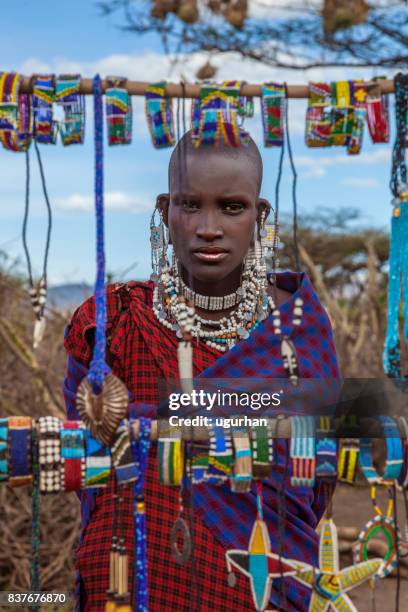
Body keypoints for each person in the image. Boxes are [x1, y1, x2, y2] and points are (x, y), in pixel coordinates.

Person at [64, 132, 340, 611]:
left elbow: (318, 477)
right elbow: (86, 460)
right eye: (191, 205)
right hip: (133, 581)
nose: (208, 227)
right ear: (165, 210)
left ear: (261, 216)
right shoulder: (110, 323)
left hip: (262, 586)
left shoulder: (297, 327)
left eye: (232, 207)